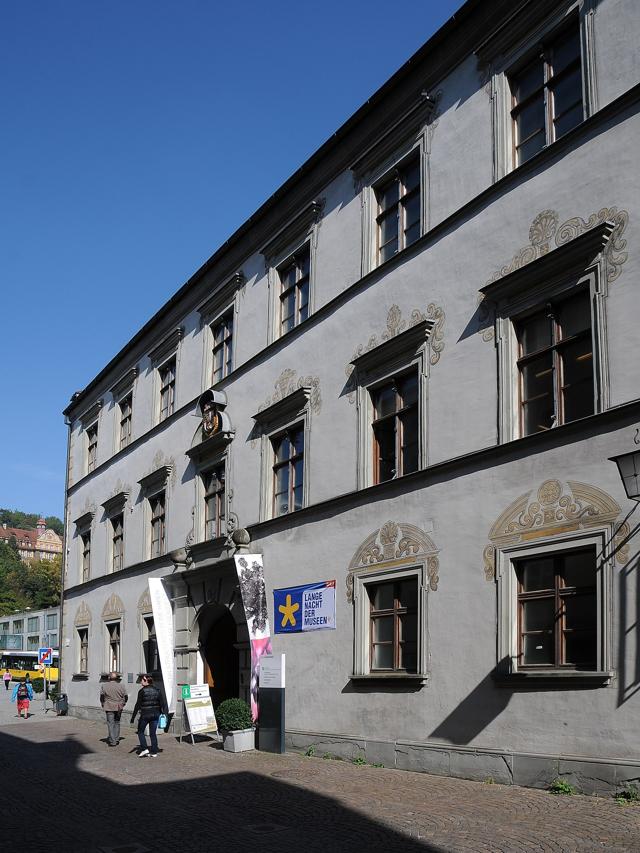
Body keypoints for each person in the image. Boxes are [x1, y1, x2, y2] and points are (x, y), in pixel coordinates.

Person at [130, 674, 167, 758]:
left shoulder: (142, 691)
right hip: (155, 715)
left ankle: (144, 748)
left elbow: (137, 705)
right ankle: (154, 752)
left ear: (146, 680)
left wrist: (133, 717)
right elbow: (163, 703)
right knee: (153, 733)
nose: (140, 682)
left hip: (145, 715)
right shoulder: (158, 690)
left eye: (142, 680)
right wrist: (162, 713)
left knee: (140, 731)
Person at [99, 672, 128, 747]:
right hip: (119, 706)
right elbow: (126, 696)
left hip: (109, 706)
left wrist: (103, 703)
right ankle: (117, 738)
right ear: (117, 678)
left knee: (110, 723)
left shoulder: (104, 686)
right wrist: (123, 703)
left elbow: (102, 697)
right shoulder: (121, 686)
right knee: (117, 722)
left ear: (109, 678)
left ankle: (112, 741)